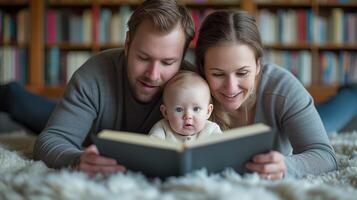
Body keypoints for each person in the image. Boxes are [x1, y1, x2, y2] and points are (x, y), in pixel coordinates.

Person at [29, 0, 195, 176]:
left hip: (85, 110)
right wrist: (77, 159)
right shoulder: (94, 73)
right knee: (30, 111)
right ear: (127, 44)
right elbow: (50, 139)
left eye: (167, 62)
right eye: (143, 58)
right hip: (84, 118)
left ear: (183, 57)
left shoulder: (194, 85)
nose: (153, 75)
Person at [195, 10, 338, 179]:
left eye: (242, 73)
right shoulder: (190, 87)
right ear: (202, 68)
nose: (231, 88)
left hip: (287, 108)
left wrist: (286, 165)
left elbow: (326, 157)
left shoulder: (283, 87)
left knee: (332, 120)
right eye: (218, 74)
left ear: (258, 65)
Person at [148, 70, 222, 143]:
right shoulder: (162, 128)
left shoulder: (211, 130)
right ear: (165, 112)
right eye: (179, 109)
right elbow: (152, 149)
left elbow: (223, 151)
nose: (188, 116)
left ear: (208, 111)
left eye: (196, 109)